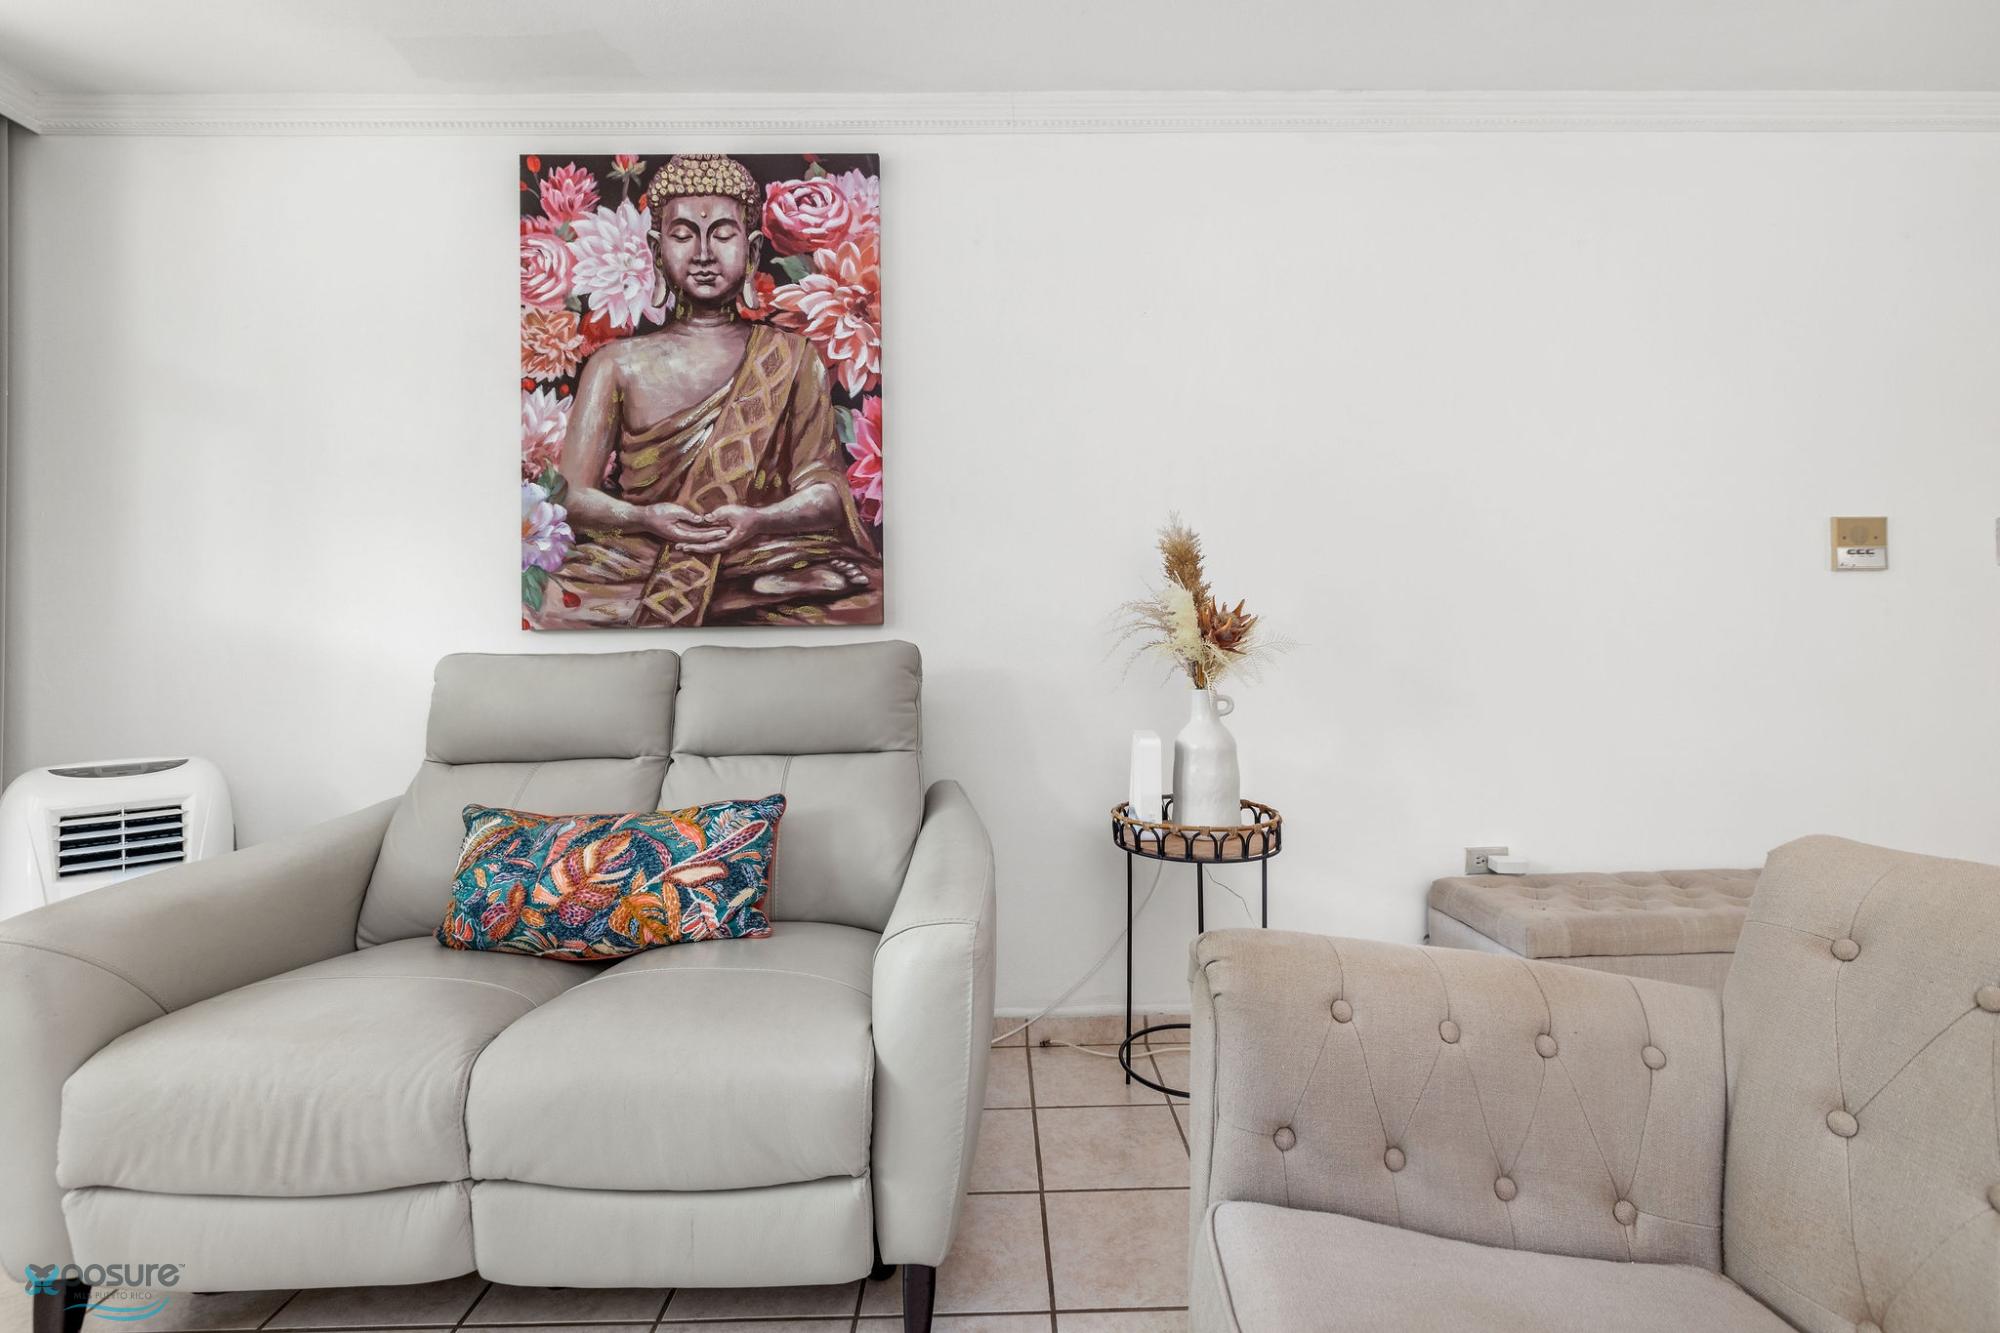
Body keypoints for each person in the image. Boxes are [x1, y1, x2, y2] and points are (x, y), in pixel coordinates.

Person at [539, 154, 880, 627]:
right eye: (683, 235)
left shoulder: (791, 356)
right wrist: (645, 518)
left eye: (722, 234)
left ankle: (745, 585)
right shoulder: (616, 364)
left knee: (868, 597)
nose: (703, 253)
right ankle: (737, 595)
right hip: (642, 553)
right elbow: (573, 497)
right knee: (556, 597)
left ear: (752, 251)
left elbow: (824, 494)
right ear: (657, 251)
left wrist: (759, 520)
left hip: (761, 547)